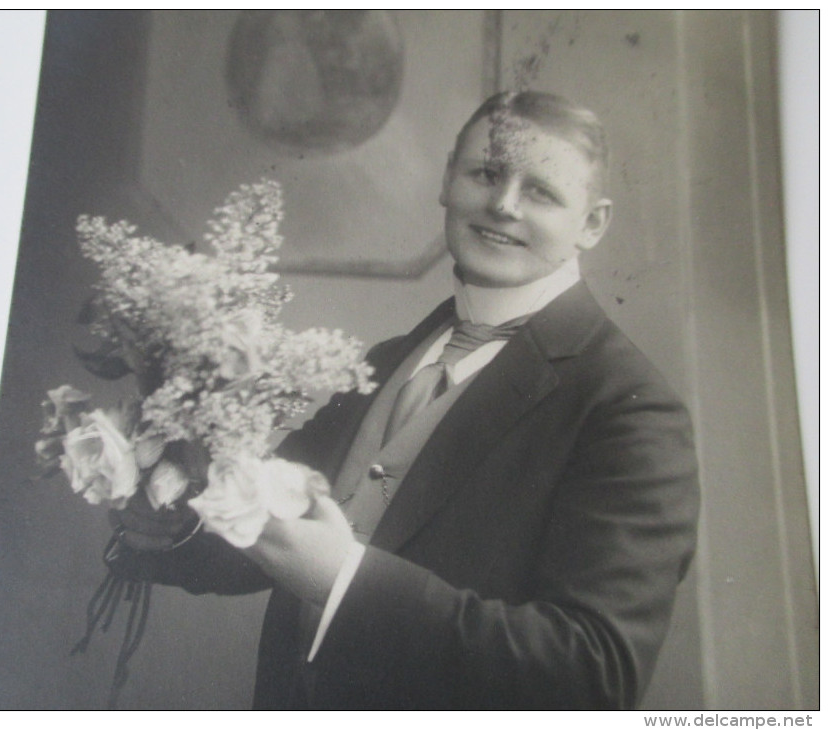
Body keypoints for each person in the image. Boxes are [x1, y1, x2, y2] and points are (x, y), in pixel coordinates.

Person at [108, 90, 700, 710]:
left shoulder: (628, 411)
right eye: (486, 173)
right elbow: (274, 538)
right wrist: (171, 527)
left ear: (593, 223)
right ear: (448, 179)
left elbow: (593, 677)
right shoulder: (387, 360)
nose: (502, 205)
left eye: (541, 192)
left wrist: (346, 581)